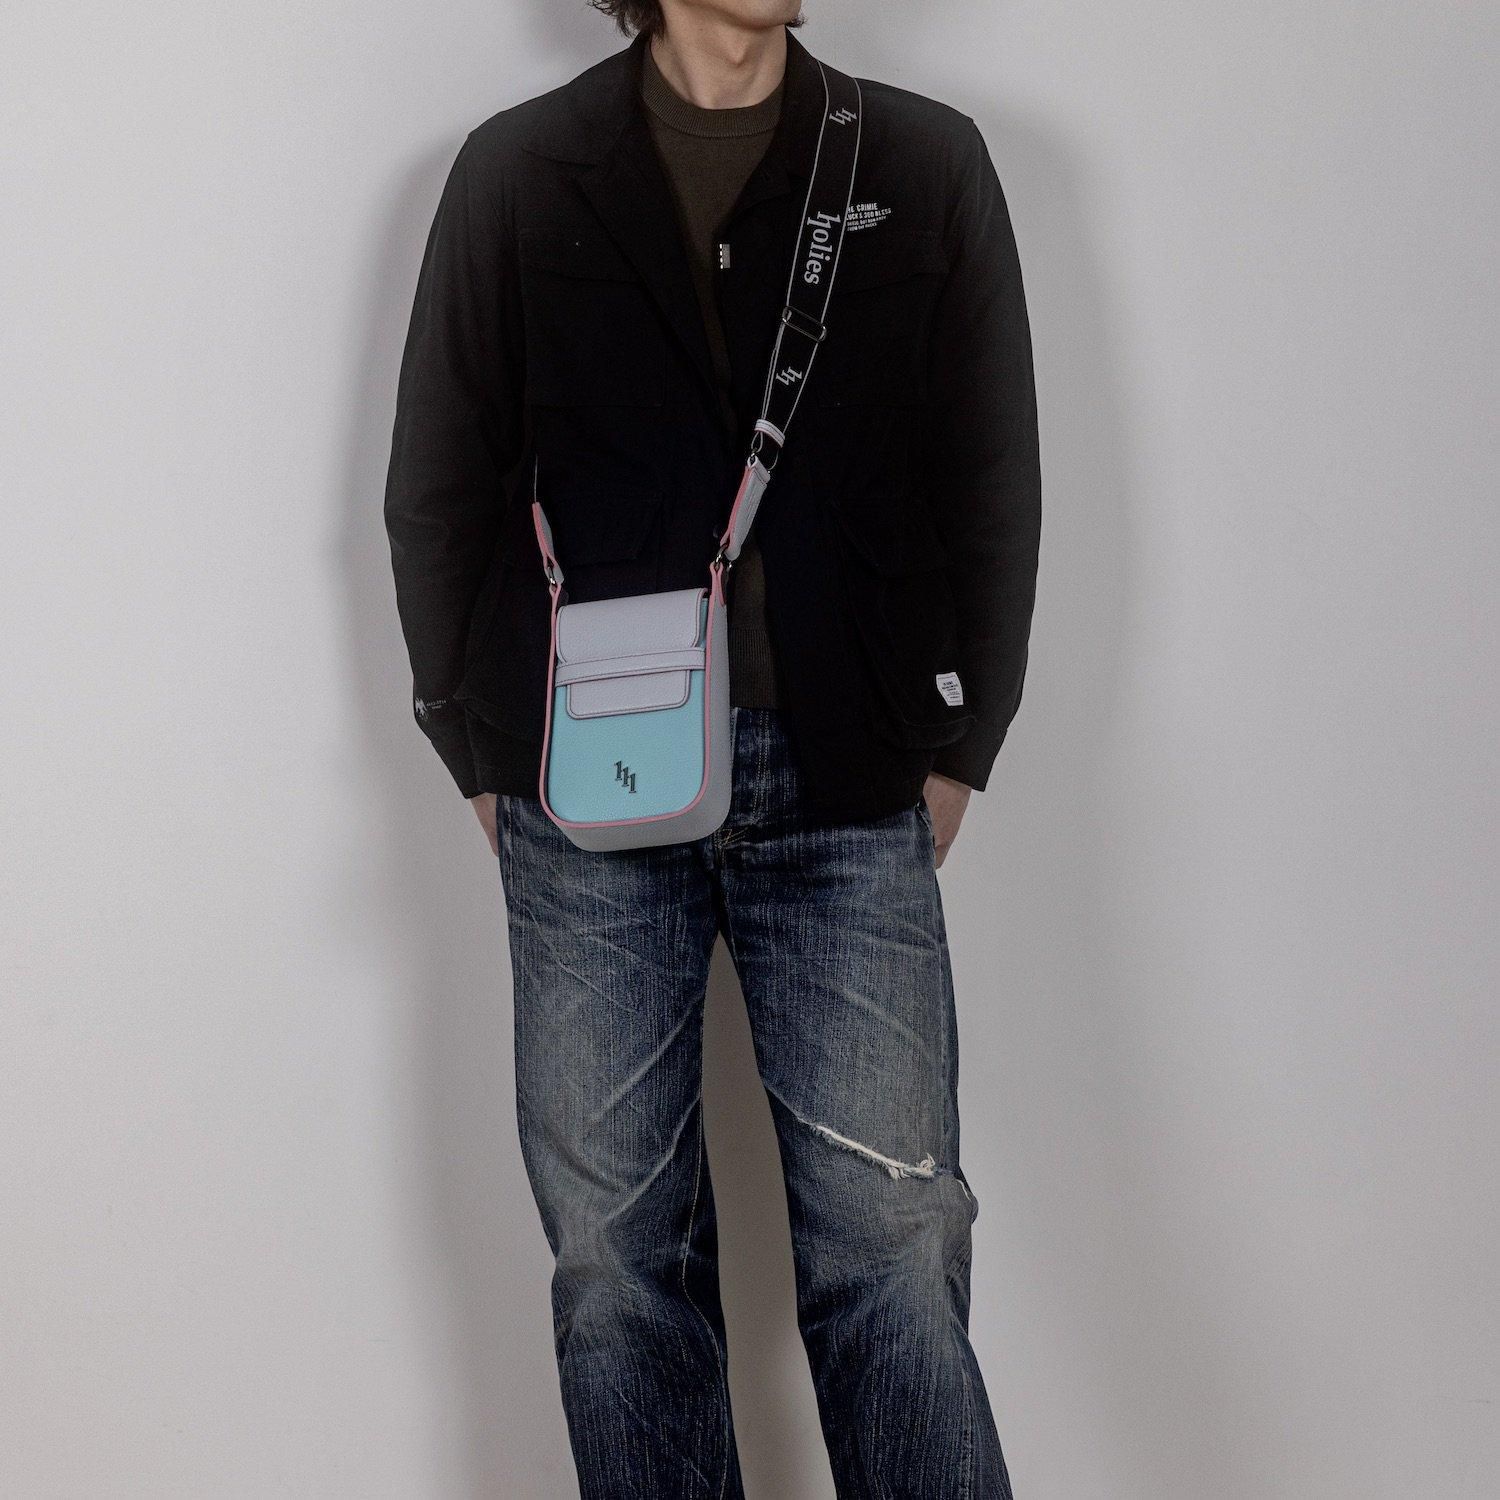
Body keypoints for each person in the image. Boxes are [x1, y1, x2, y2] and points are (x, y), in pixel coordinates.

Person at [384, 0, 1040, 1492]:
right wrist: (472, 741)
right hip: (584, 788)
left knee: (894, 1244)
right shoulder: (514, 171)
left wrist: (964, 735)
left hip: (852, 773)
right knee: (616, 1263)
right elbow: (440, 476)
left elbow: (991, 465)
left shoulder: (922, 162)